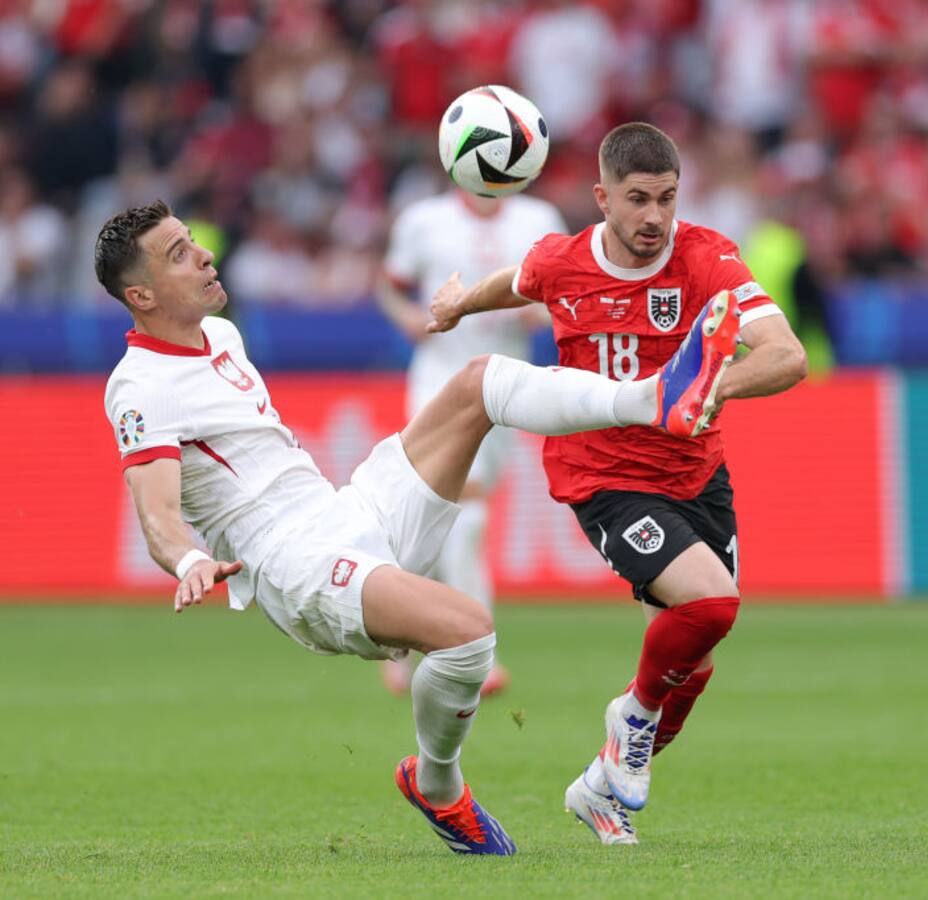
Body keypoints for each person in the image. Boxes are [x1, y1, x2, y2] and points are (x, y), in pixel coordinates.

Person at [95, 199, 740, 856]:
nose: (203, 253)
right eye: (178, 253)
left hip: (344, 510)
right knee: (468, 633)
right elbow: (157, 514)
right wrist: (186, 562)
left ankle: (654, 398)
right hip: (296, 564)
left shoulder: (223, 335)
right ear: (140, 294)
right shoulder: (140, 387)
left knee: (479, 382)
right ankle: (437, 786)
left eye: (192, 240)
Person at [425, 123, 808, 845]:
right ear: (602, 197)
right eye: (637, 199)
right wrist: (456, 306)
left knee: (691, 669)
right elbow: (519, 282)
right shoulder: (562, 261)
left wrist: (711, 390)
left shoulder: (705, 257)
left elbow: (786, 356)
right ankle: (628, 721)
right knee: (711, 604)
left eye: (666, 198)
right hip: (602, 476)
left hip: (695, 473)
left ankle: (600, 786)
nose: (654, 217)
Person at [377, 187, 567, 697]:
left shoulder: (539, 217)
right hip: (438, 374)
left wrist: (540, 313)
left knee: (439, 520)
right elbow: (390, 286)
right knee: (461, 508)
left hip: (504, 379)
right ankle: (475, 651)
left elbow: (567, 294)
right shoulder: (424, 218)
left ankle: (400, 641)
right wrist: (408, 318)